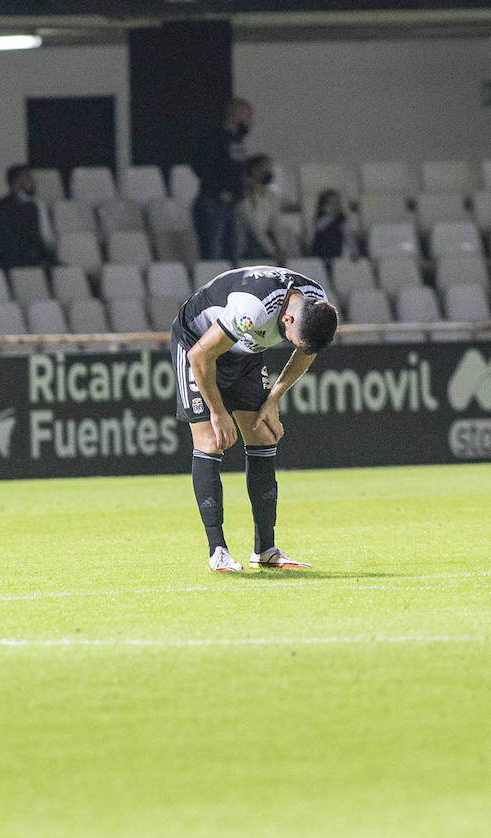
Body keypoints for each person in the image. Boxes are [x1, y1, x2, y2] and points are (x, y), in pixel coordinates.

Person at [170, 265, 340, 572]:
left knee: (263, 434)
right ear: (287, 319)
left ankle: (265, 550)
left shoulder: (316, 304)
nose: (292, 345)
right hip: (196, 344)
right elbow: (200, 356)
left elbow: (306, 351)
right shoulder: (253, 309)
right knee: (211, 440)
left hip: (244, 351)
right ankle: (217, 551)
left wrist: (273, 397)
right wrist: (219, 412)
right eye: (291, 340)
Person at [192, 98, 253, 261]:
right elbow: (200, 165)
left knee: (231, 254)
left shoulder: (238, 141)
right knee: (214, 254)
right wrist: (219, 190)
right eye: (247, 116)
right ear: (235, 115)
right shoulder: (214, 137)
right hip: (212, 203)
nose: (250, 121)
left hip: (230, 204)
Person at [0, 165, 55, 270]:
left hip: (35, 261)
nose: (33, 182)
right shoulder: (1, 208)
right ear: (16, 183)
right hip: (14, 264)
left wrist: (46, 259)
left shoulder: (33, 206)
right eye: (28, 178)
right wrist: (35, 262)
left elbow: (38, 240)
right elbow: (4, 245)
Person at [239, 155, 286, 263]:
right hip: (249, 246)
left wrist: (280, 248)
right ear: (255, 170)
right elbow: (253, 226)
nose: (270, 171)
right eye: (266, 167)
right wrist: (272, 250)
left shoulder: (272, 196)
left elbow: (276, 222)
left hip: (268, 244)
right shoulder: (244, 197)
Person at [309, 189, 359, 261]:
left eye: (337, 203)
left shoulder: (342, 221)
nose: (335, 206)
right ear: (323, 206)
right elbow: (317, 231)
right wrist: (330, 217)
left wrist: (354, 252)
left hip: (337, 257)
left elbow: (349, 238)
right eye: (331, 203)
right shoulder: (319, 220)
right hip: (320, 257)